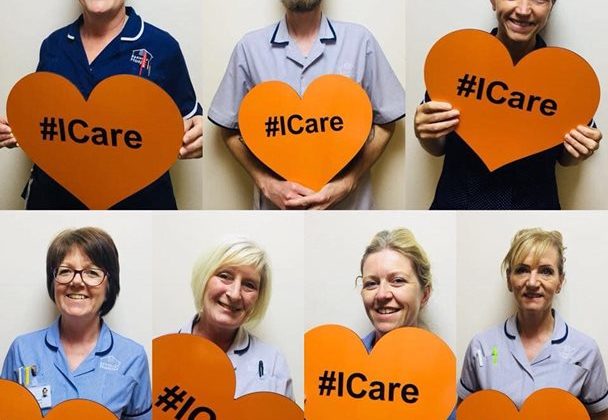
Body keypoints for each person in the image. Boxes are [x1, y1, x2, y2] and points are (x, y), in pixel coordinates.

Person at [0, 0, 203, 209]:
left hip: (138, 204)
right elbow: (43, 121)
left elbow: (190, 120)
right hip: (53, 201)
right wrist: (15, 130)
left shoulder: (163, 47)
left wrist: (197, 136)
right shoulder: (53, 45)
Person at [208, 0, 404, 210]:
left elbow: (386, 120)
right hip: (276, 214)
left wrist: (349, 181)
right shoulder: (249, 48)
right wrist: (266, 183)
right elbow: (227, 126)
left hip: (351, 209)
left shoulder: (359, 41)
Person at [414, 0, 602, 209]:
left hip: (535, 208)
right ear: (494, 1)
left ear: (551, 6)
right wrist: (424, 133)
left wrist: (580, 150)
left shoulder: (568, 77)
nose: (523, 10)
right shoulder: (458, 60)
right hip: (456, 203)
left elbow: (566, 159)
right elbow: (437, 148)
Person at [1, 227, 151, 419]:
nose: (77, 282)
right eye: (65, 271)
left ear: (109, 286)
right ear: (53, 282)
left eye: (92, 272)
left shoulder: (133, 357)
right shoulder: (22, 349)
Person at [458, 228, 608, 419]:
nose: (532, 282)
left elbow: (601, 415)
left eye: (546, 271)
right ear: (509, 280)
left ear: (560, 281)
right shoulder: (481, 346)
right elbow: (465, 411)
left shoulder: (585, 350)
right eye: (522, 270)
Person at [357, 228, 456, 420]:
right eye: (371, 283)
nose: (382, 294)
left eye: (398, 281)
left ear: (424, 294)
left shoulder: (442, 372)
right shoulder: (340, 364)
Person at [179, 238, 294, 399]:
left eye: (249, 285)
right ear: (204, 278)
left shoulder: (273, 362)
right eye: (225, 276)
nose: (234, 294)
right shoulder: (162, 353)